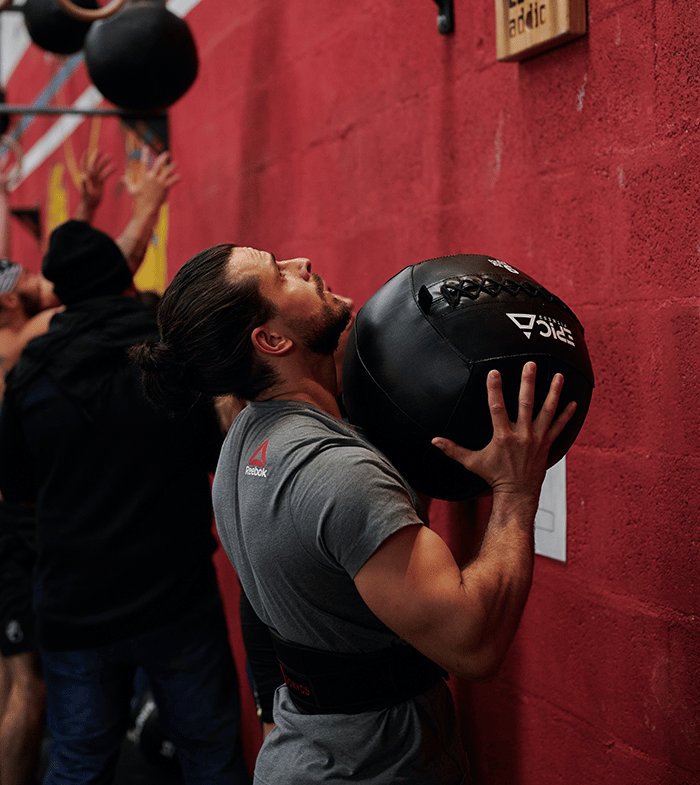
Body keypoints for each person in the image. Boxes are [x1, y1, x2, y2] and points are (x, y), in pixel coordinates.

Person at [132, 244, 577, 785]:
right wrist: (515, 489)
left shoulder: (242, 444)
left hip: (309, 755)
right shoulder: (337, 475)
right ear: (272, 341)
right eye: (279, 274)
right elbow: (474, 643)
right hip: (371, 769)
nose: (301, 264)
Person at [0, 195, 250, 783]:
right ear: (120, 276)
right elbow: (221, 458)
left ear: (61, 290)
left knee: (79, 762)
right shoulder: (169, 360)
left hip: (75, 608)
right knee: (211, 758)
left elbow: (17, 494)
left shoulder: (30, 376)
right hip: (176, 598)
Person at [0, 146, 176, 785]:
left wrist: (85, 209)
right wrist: (148, 204)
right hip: (17, 533)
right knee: (28, 690)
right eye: (13, 283)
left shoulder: (27, 321)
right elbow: (95, 287)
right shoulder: (17, 341)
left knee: (24, 684)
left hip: (28, 521)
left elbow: (68, 280)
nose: (28, 281)